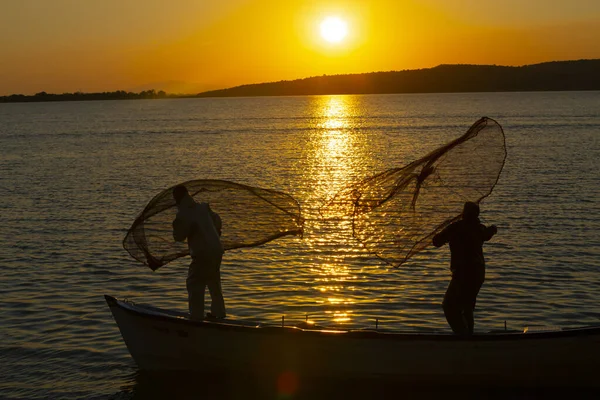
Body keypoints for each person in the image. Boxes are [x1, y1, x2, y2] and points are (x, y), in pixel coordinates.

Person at [432, 201, 497, 335]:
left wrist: (443, 233)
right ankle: (469, 337)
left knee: (449, 306)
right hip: (478, 274)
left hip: (463, 275)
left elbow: (436, 242)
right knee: (467, 308)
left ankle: (462, 336)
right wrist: (493, 228)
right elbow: (488, 233)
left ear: (464, 214)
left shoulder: (455, 228)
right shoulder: (479, 228)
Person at [172, 185, 226, 321]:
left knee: (194, 283)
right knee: (213, 282)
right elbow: (217, 220)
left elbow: (179, 236)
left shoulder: (184, 213)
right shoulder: (203, 208)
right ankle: (218, 314)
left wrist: (176, 225)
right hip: (217, 250)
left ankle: (196, 318)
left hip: (202, 253)